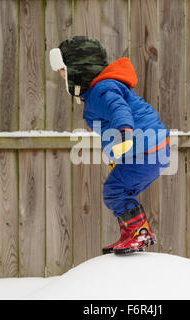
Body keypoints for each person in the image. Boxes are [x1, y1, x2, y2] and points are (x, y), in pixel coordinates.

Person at [49, 36, 170, 255]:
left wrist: (124, 131)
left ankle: (139, 234)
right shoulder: (100, 90)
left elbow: (119, 110)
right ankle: (130, 233)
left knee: (114, 190)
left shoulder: (103, 89)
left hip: (146, 150)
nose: (63, 79)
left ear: (79, 70)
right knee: (120, 190)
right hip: (151, 149)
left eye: (65, 73)